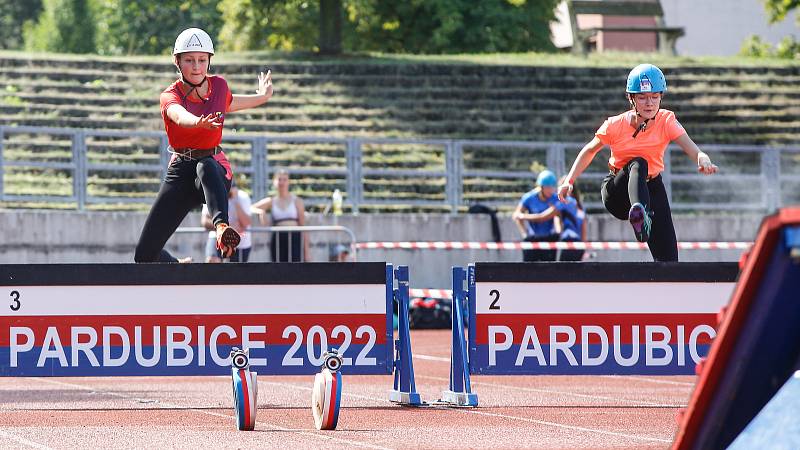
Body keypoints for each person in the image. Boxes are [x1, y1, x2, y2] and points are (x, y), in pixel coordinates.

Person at [133, 28, 273, 263]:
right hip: (181, 169)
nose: (196, 66)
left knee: (205, 165)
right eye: (189, 60)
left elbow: (230, 102)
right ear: (177, 62)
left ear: (209, 61)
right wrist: (197, 122)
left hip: (214, 169)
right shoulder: (170, 95)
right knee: (144, 255)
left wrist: (262, 97)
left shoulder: (219, 86)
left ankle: (221, 228)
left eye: (201, 60)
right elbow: (178, 115)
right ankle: (178, 265)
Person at [558, 64, 718, 262]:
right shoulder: (614, 125)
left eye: (654, 97)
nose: (649, 103)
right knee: (639, 163)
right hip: (617, 192)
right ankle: (639, 216)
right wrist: (569, 181)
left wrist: (704, 160)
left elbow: (693, 149)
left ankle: (643, 219)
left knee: (669, 260)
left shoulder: (666, 120)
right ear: (631, 98)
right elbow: (590, 150)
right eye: (642, 97)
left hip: (651, 188)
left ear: (661, 97)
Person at [251, 169, 310, 262]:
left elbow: (303, 227)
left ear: (288, 182)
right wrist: (261, 212)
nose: (281, 182)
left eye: (284, 179)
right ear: (274, 182)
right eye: (279, 179)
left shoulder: (297, 201)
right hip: (278, 240)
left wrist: (307, 252)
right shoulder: (271, 201)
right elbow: (250, 207)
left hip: (294, 238)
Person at [512, 169, 561, 262]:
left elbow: (543, 217)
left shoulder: (555, 199)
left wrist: (523, 216)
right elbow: (516, 215)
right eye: (548, 187)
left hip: (549, 238)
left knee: (549, 270)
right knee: (528, 270)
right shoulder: (529, 198)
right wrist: (524, 233)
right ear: (541, 187)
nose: (551, 190)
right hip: (532, 238)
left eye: (552, 187)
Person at [201, 179, 252, 263]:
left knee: (237, 272)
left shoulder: (242, 197)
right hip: (217, 235)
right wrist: (226, 228)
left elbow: (246, 223)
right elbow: (204, 221)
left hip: (240, 241)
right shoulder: (211, 195)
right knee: (212, 261)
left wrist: (235, 200)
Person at [556, 176, 587, 262]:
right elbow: (584, 229)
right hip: (579, 244)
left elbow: (549, 215)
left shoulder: (565, 202)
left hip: (567, 242)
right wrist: (583, 247)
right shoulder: (580, 206)